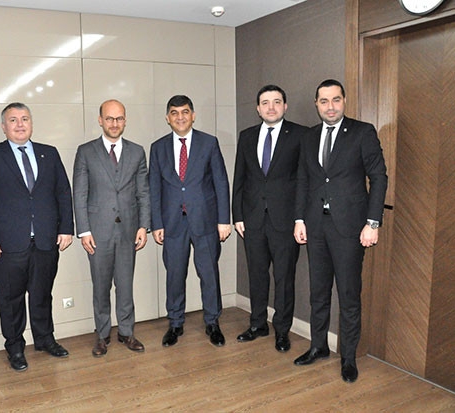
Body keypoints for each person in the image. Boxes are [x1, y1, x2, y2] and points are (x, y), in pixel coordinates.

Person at [293, 79, 387, 383]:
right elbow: (304, 179)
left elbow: (379, 177)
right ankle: (318, 346)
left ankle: (348, 357)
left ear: (344, 101)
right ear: (316, 104)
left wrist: (372, 222)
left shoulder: (362, 132)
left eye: (336, 99)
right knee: (318, 292)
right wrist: (299, 219)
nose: (330, 106)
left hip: (350, 228)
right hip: (316, 226)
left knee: (348, 295)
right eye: (324, 101)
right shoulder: (308, 136)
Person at [0, 102, 74, 372]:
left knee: (42, 294)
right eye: (13, 120)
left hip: (45, 240)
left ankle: (45, 339)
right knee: (10, 299)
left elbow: (63, 193)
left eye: (25, 119)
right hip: (5, 245)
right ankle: (15, 347)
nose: (20, 124)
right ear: (3, 126)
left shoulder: (49, 153)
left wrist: (66, 228)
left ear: (31, 123)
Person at [149, 95, 232, 347]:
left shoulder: (209, 143)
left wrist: (224, 220)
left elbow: (220, 182)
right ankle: (175, 323)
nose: (180, 117)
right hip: (172, 222)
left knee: (209, 274)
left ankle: (212, 322)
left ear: (193, 115)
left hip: (205, 220)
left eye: (185, 112)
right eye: (174, 113)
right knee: (175, 274)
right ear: (167, 118)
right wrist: (157, 223)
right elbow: (154, 188)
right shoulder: (158, 147)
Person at [232, 85, 308, 352]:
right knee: (256, 275)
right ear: (258, 108)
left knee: (284, 278)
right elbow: (239, 177)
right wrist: (237, 215)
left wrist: (300, 218)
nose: (271, 107)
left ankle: (282, 330)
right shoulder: (247, 136)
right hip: (252, 219)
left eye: (277, 102)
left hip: (286, 222)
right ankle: (257, 324)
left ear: (285, 106)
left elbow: (305, 180)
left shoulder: (301, 135)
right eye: (265, 102)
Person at [73, 99, 151, 357]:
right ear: (100, 120)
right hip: (97, 233)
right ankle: (102, 334)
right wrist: (84, 231)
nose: (114, 123)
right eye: (109, 118)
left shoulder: (137, 152)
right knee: (101, 286)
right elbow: (79, 194)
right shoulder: (86, 152)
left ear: (125, 120)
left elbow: (143, 192)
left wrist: (144, 225)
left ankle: (126, 332)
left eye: (119, 118)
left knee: (126, 285)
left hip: (129, 230)